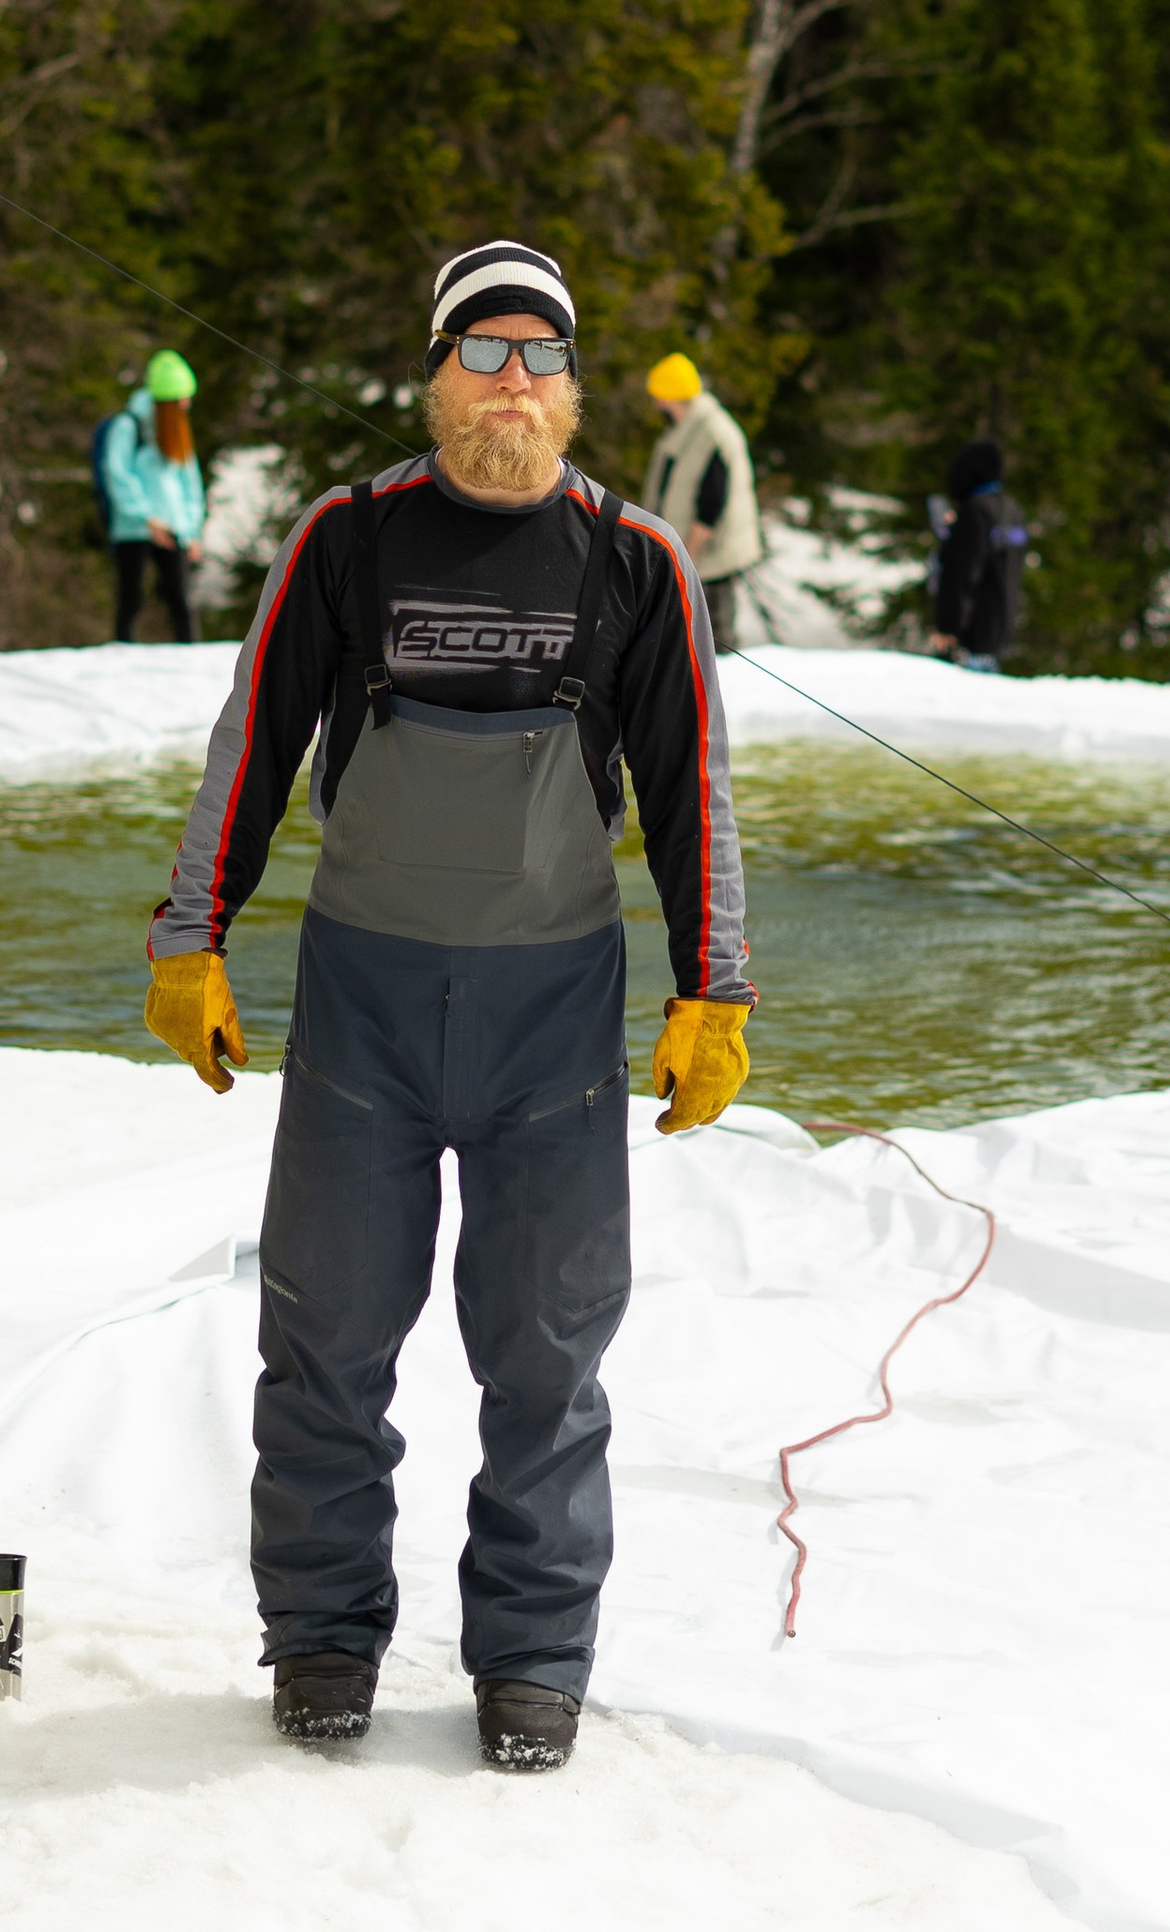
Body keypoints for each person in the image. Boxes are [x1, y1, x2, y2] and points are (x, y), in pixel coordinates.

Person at [143, 237, 754, 1777]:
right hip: (364, 999)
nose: (513, 386)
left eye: (541, 359)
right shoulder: (346, 541)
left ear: (575, 389)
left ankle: (533, 1656)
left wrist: (715, 989)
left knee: (548, 1349)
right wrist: (189, 937)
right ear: (435, 373)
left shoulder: (636, 562)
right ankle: (326, 1635)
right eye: (483, 353)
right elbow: (254, 742)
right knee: (329, 1331)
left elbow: (696, 795)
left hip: (557, 1010)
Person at [639, 352, 763, 653]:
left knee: (715, 640)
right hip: (689, 555)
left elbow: (712, 507)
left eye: (658, 394)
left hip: (711, 559)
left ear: (670, 395)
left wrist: (688, 558)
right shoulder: (684, 429)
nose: (654, 403)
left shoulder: (713, 433)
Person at [94, 347, 207, 639]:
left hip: (175, 529)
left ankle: (191, 661)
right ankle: (121, 657)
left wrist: (192, 530)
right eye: (182, 397)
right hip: (135, 529)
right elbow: (117, 474)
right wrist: (146, 519)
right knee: (131, 599)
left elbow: (189, 483)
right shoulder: (128, 425)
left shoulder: (178, 430)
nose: (187, 403)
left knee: (180, 600)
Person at [929, 438, 1025, 669]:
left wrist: (949, 627)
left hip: (971, 637)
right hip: (1001, 633)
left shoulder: (976, 511)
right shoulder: (1014, 510)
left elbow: (962, 573)